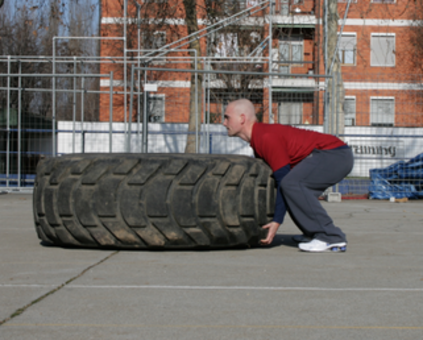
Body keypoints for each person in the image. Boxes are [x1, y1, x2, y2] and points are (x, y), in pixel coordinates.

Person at [223, 99, 354, 252]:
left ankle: (330, 237)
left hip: (334, 154)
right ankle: (313, 233)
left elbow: (284, 180)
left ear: (242, 118)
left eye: (227, 117)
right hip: (332, 155)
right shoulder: (258, 139)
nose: (224, 123)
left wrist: (277, 221)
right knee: (292, 189)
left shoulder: (265, 137)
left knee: (291, 184)